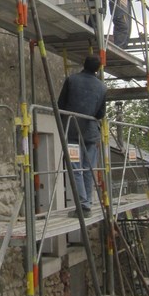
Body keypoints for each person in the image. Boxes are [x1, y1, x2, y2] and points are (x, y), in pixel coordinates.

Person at [57, 55, 107, 210]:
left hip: (72, 130)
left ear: (84, 64)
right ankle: (88, 202)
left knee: (76, 168)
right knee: (88, 169)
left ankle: (83, 203)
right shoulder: (102, 87)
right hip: (91, 132)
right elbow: (100, 114)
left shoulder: (71, 80)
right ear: (98, 69)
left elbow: (60, 105)